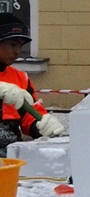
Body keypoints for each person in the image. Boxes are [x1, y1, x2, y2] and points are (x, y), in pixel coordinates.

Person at [0, 13, 66, 156]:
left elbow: (29, 115)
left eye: (20, 45)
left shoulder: (20, 78)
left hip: (10, 157)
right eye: (13, 44)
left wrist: (42, 125)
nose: (17, 51)